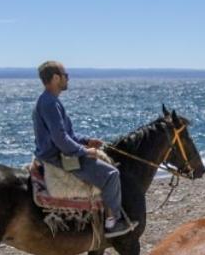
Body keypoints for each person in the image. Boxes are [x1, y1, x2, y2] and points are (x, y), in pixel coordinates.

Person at [33, 60, 134, 237]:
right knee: (112, 175)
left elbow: (66, 135)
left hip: (56, 151)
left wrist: (86, 140)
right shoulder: (50, 103)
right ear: (56, 78)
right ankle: (113, 223)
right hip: (57, 157)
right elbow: (61, 139)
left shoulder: (49, 101)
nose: (67, 79)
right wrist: (85, 151)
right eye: (66, 76)